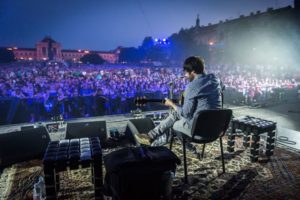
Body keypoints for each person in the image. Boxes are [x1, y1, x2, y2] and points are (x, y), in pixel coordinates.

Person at [134, 56, 222, 145]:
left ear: (193, 71)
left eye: (186, 72)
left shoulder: (192, 87)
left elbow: (186, 114)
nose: (186, 75)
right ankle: (151, 136)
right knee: (176, 115)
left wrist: (172, 104)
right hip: (216, 128)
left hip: (199, 130)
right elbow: (214, 93)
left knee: (174, 124)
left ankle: (152, 139)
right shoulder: (215, 79)